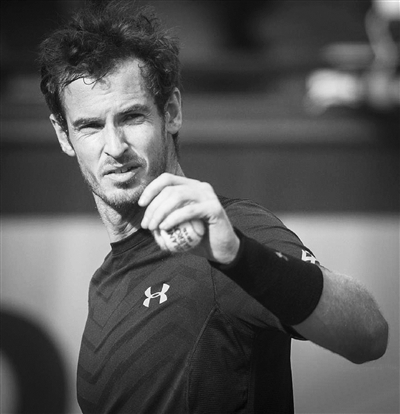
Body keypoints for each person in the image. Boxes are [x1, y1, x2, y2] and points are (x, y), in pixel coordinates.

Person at [38, 1, 388, 412]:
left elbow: (368, 334)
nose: (114, 147)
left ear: (171, 112)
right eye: (91, 126)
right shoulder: (106, 279)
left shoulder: (230, 232)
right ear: (63, 135)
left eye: (132, 117)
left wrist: (237, 256)